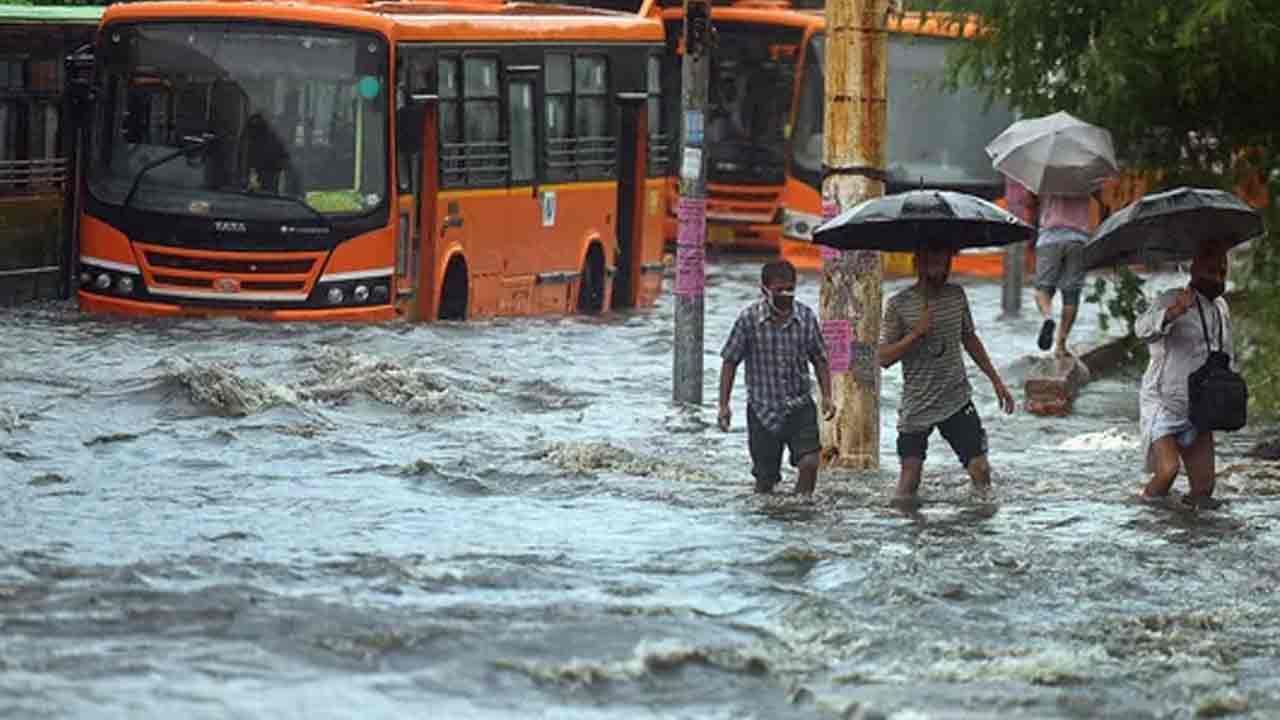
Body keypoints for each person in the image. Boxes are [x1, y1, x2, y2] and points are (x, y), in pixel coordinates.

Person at [878, 244, 1017, 505]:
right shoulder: (899, 304)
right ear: (918, 262)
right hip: (918, 404)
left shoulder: (957, 296)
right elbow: (884, 358)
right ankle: (909, 534)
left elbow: (969, 338)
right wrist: (916, 333)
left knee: (981, 471)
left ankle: (980, 527)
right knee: (909, 482)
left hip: (956, 398)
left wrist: (996, 380)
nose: (940, 269)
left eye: (945, 263)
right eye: (933, 261)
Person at [718, 260, 834, 495]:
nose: (785, 295)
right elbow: (730, 361)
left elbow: (820, 359)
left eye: (790, 289)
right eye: (778, 290)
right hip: (763, 410)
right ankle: (769, 518)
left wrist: (827, 396)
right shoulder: (749, 319)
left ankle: (801, 510)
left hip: (800, 406)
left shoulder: (806, 317)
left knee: (810, 463)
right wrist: (723, 405)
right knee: (765, 480)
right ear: (764, 290)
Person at [1135, 240, 1234, 509]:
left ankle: (1189, 534)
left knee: (1204, 490)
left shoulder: (1221, 308)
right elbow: (1142, 329)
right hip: (1164, 402)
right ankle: (1144, 516)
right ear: (1195, 268)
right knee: (1168, 471)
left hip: (1199, 407)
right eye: (1212, 270)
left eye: (1223, 271)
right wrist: (1174, 312)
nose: (1218, 277)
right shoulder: (1171, 297)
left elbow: (1226, 352)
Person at [1010, 179, 1094, 357]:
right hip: (1078, 239)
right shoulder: (1087, 173)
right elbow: (1098, 198)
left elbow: (1029, 202)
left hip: (1050, 237)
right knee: (1071, 293)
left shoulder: (1045, 174)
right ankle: (1061, 345)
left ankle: (1048, 317)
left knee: (1043, 288)